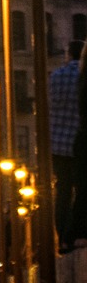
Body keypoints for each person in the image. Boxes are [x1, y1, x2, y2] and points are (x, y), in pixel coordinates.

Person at [52, 40, 82, 250]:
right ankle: (76, 233)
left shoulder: (55, 77)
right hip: (80, 143)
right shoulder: (84, 76)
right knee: (81, 189)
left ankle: (62, 237)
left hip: (58, 145)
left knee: (62, 190)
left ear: (68, 54)